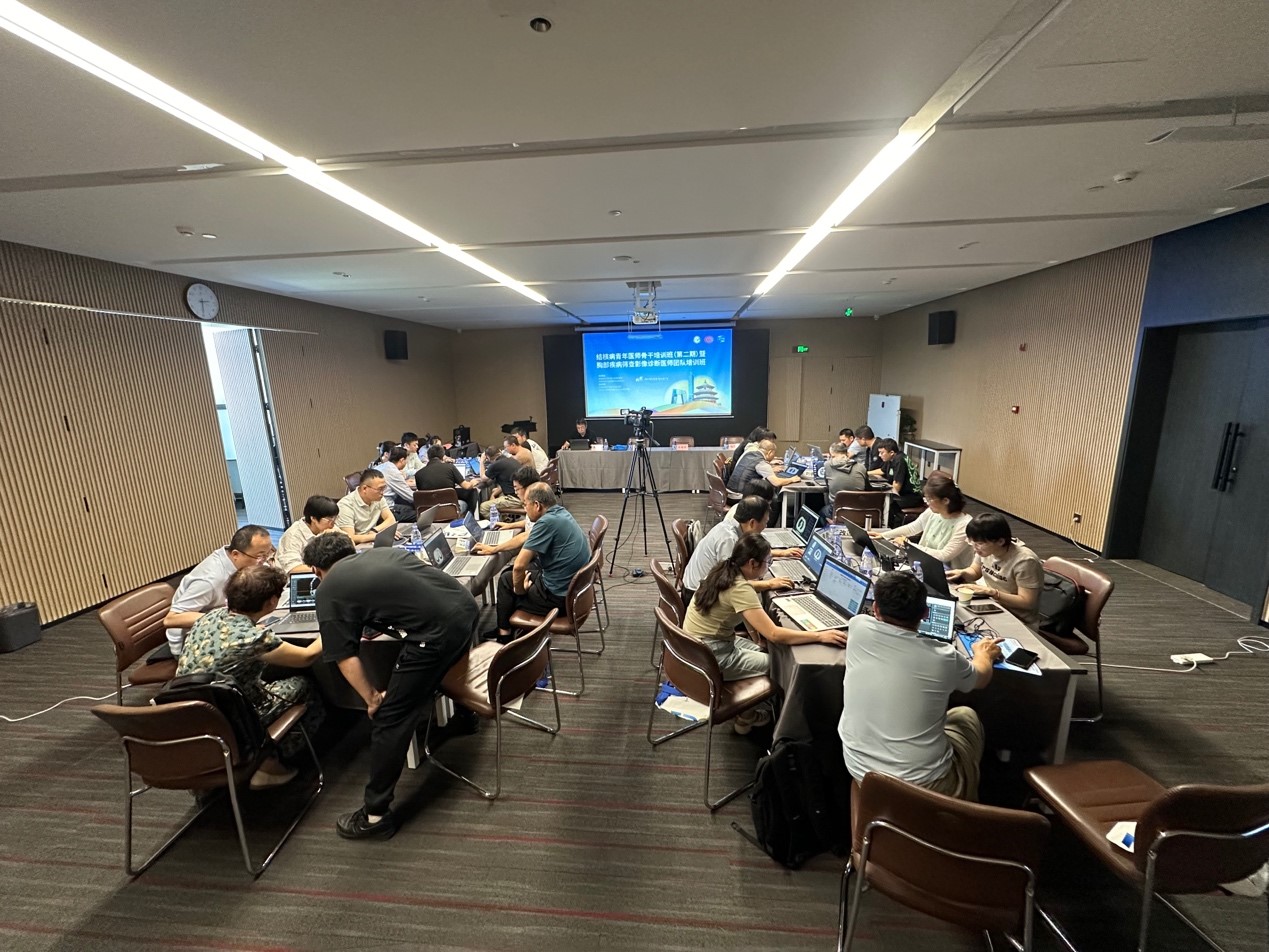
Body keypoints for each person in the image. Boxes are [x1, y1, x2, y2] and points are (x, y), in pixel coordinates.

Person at [303, 531, 478, 839]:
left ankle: (375, 817)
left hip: (433, 635)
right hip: (464, 607)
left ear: (316, 570)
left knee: (389, 717)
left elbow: (344, 656)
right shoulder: (383, 553)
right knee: (442, 666)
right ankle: (466, 716)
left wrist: (372, 698)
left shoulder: (328, 589)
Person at [839, 571, 1002, 801]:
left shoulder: (858, 627)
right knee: (966, 716)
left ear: (875, 609)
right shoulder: (943, 656)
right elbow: (981, 678)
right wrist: (983, 654)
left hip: (860, 771)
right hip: (925, 784)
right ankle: (964, 803)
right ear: (925, 613)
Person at [176, 563, 325, 788]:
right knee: (304, 684)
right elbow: (306, 656)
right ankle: (268, 760)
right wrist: (332, 626)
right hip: (235, 716)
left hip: (189, 714)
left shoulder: (208, 617)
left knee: (270, 672)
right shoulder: (253, 638)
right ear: (272, 602)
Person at [490, 483, 589, 641]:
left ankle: (504, 637)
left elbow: (519, 566)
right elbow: (527, 540)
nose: (524, 509)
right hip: (572, 590)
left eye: (525, 504)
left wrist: (520, 591)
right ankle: (506, 629)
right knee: (508, 575)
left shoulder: (546, 523)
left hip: (558, 598)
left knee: (507, 583)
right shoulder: (560, 513)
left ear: (537, 505)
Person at [163, 525, 273, 655]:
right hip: (192, 643)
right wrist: (234, 621)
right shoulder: (210, 580)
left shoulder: (237, 559)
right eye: (260, 556)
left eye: (267, 554)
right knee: (267, 651)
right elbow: (171, 619)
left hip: (224, 627)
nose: (264, 562)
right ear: (236, 554)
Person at [680, 496, 798, 603]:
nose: (765, 527)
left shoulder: (731, 525)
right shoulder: (728, 540)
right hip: (697, 595)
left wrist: (781, 553)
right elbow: (732, 584)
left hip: (699, 587)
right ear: (752, 523)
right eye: (765, 522)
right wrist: (769, 584)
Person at [947, 513, 1044, 626]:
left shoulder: (1025, 561)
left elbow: (1027, 602)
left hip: (1018, 619)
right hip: (992, 605)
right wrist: (962, 573)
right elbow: (975, 571)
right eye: (971, 542)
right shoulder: (987, 550)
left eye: (979, 543)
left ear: (1000, 541)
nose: (974, 547)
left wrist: (992, 592)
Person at [870, 471, 973, 569]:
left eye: (929, 499)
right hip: (925, 564)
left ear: (945, 500)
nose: (927, 503)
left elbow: (944, 555)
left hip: (951, 573)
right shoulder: (932, 512)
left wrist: (908, 545)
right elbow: (913, 527)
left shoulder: (964, 524)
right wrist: (884, 535)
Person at [473, 465, 540, 554]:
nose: (515, 492)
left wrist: (493, 549)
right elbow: (529, 522)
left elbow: (525, 537)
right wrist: (510, 525)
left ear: (528, 488)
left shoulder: (537, 507)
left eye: (517, 489)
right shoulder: (537, 502)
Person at [278, 495, 339, 574]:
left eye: (335, 518)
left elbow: (348, 542)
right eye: (329, 519)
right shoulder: (293, 536)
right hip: (295, 577)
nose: (333, 523)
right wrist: (328, 569)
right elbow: (293, 568)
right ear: (313, 518)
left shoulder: (327, 526)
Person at [414, 444, 481, 515]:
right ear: (443, 456)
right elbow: (467, 486)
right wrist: (472, 482)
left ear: (428, 456)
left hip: (428, 512)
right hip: (450, 510)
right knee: (472, 492)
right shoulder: (450, 468)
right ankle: (469, 518)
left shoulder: (418, 474)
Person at [335, 469, 395, 545]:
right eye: (380, 489)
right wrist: (379, 536)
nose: (382, 493)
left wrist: (375, 530)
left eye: (384, 488)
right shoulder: (346, 505)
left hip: (371, 540)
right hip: (357, 546)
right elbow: (350, 538)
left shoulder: (378, 498)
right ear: (364, 488)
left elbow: (391, 519)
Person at [875, 438, 923, 527]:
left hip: (911, 497)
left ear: (891, 452)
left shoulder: (899, 461)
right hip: (903, 495)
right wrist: (866, 473)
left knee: (884, 502)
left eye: (882, 453)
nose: (879, 455)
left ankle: (890, 527)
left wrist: (880, 491)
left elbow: (896, 488)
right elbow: (882, 471)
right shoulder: (891, 458)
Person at [727, 438, 800, 493]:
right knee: (771, 493)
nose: (774, 456)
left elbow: (751, 470)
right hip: (739, 496)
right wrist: (792, 479)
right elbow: (776, 482)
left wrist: (771, 470)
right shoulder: (761, 463)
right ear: (770, 452)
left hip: (730, 492)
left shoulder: (749, 453)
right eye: (774, 453)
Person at [479, 441, 525, 518]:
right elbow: (506, 482)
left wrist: (481, 461)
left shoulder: (496, 464)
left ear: (488, 458)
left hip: (515, 498)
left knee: (483, 507)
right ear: (499, 451)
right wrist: (494, 494)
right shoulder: (510, 459)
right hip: (522, 494)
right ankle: (505, 518)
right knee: (494, 491)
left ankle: (501, 522)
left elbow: (483, 478)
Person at [374, 447, 418, 522]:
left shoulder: (382, 466)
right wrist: (423, 496)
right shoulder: (393, 472)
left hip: (375, 507)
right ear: (402, 460)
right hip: (386, 509)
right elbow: (410, 496)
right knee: (418, 514)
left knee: (408, 507)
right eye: (406, 460)